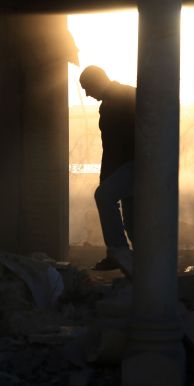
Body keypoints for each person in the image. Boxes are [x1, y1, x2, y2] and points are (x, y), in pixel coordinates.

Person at [79, 65, 136, 276]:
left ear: (97, 81)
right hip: (135, 165)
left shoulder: (120, 99)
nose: (86, 93)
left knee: (103, 196)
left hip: (136, 164)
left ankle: (119, 252)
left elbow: (113, 146)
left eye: (86, 87)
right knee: (132, 224)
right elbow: (112, 146)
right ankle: (143, 267)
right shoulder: (120, 97)